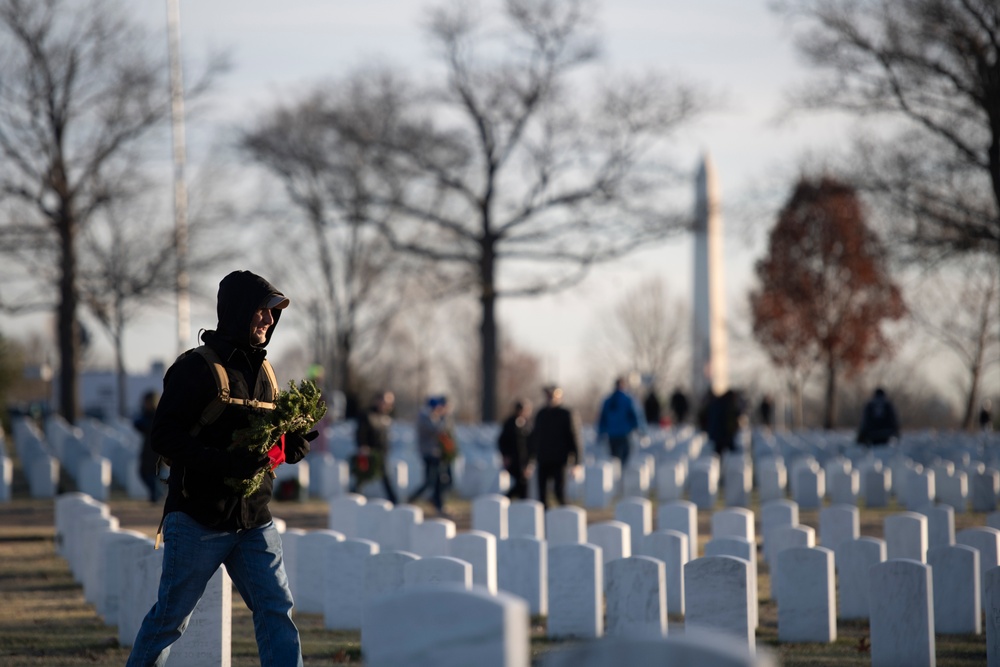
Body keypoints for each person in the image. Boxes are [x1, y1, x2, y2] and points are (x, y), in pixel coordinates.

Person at [127, 270, 315, 667]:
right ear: (238, 311)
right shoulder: (193, 369)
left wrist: (287, 448)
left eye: (272, 313)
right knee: (170, 621)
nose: (268, 320)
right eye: (262, 311)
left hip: (254, 521)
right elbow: (164, 437)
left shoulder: (266, 373)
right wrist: (224, 463)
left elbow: (263, 449)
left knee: (277, 610)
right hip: (197, 518)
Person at [528, 385, 581, 510]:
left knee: (559, 493)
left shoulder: (566, 414)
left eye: (553, 395)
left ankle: (566, 518)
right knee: (542, 495)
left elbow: (574, 438)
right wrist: (530, 459)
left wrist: (576, 462)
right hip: (543, 458)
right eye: (548, 395)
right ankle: (545, 522)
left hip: (560, 459)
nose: (550, 398)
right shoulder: (541, 414)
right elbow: (535, 438)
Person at [408, 395, 452, 517]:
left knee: (440, 481)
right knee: (429, 482)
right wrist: (443, 416)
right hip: (429, 454)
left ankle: (438, 505)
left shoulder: (432, 417)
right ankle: (411, 499)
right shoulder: (425, 417)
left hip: (436, 454)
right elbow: (438, 430)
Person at [352, 390, 398, 503]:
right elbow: (360, 432)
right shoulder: (367, 415)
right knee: (363, 476)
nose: (388, 405)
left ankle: (394, 500)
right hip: (369, 451)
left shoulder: (384, 416)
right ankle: (352, 498)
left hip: (381, 452)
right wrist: (362, 446)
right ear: (377, 401)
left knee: (384, 476)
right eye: (386, 402)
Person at [596, 377, 645, 466]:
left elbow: (602, 419)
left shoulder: (608, 401)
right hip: (625, 434)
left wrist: (600, 433)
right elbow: (636, 416)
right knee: (624, 461)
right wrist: (641, 430)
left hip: (612, 435)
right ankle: (622, 478)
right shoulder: (629, 399)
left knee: (614, 460)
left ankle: (616, 478)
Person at [498, 399, 533, 500]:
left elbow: (531, 444)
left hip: (524, 460)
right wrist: (505, 455)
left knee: (523, 484)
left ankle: (518, 503)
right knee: (520, 482)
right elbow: (502, 441)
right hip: (513, 459)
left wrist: (530, 462)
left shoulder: (528, 425)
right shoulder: (509, 423)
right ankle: (505, 499)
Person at [134, 390, 161, 503]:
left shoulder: (158, 415)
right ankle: (155, 496)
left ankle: (156, 497)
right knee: (144, 474)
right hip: (147, 450)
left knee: (153, 476)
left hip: (156, 451)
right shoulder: (146, 415)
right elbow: (137, 424)